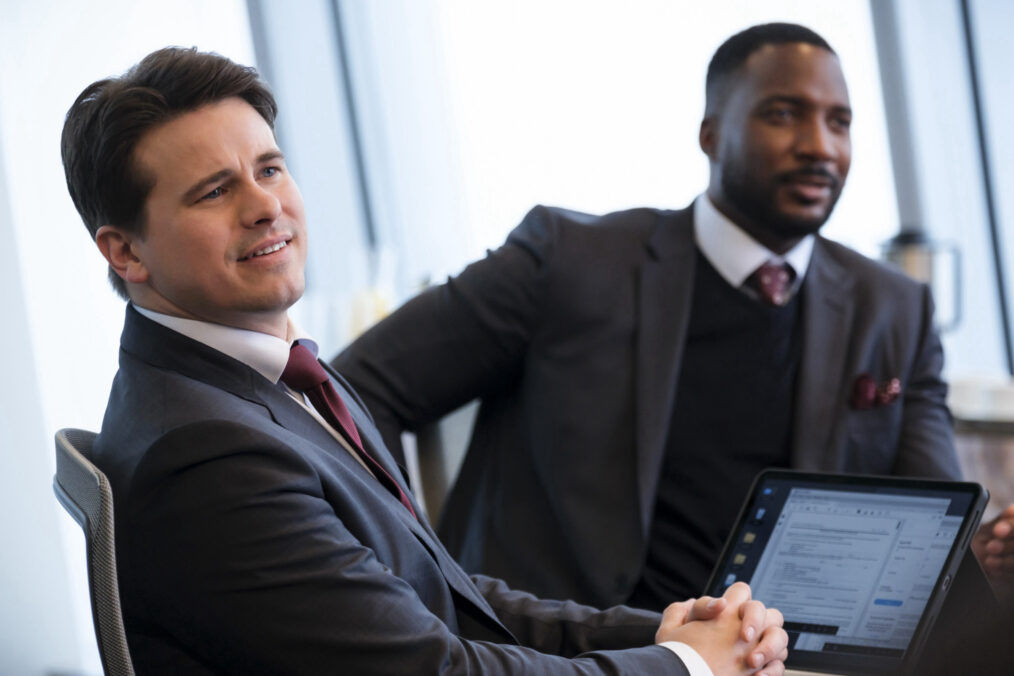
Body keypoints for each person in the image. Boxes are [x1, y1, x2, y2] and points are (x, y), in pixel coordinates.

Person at [61, 46, 789, 674]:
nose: (265, 207)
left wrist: (665, 632)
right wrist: (689, 666)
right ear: (125, 252)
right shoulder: (209, 455)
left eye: (271, 169)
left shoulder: (267, 382)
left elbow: (441, 596)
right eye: (216, 191)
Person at [333, 22, 1014, 611]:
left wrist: (982, 553)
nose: (819, 146)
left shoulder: (892, 307)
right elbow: (353, 390)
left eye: (840, 122)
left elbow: (933, 516)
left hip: (775, 657)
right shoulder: (568, 262)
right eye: (784, 114)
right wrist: (413, 569)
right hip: (567, 650)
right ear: (711, 135)